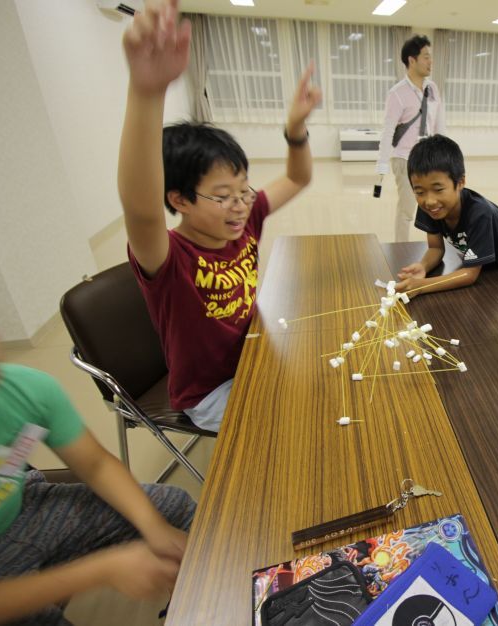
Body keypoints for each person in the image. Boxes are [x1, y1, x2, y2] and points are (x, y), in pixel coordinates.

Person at [118, 0, 322, 431]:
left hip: (254, 355)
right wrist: (147, 92)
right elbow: (140, 209)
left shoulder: (245, 218)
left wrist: (295, 129)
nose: (241, 202)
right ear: (180, 200)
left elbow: (297, 178)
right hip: (210, 392)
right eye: (222, 195)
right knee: (301, 431)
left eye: (243, 188)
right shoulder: (169, 257)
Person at [0, 261, 196, 626]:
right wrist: (98, 571)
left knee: (172, 507)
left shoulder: (24, 388)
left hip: (23, 504)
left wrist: (154, 527)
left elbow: (95, 464)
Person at [395, 135, 498, 297]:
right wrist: (423, 266)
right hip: (488, 260)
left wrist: (422, 286)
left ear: (461, 182)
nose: (430, 201)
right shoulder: (430, 207)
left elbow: (470, 274)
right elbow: (435, 248)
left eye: (438, 189)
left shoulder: (479, 214)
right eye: (419, 191)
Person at [376, 34, 446, 243]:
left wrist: (444, 154)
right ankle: (400, 248)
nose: (430, 61)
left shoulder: (432, 89)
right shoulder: (396, 94)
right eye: (425, 57)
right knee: (407, 209)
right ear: (411, 60)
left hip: (428, 158)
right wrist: (382, 163)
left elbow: (439, 124)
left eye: (430, 57)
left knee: (436, 205)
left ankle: (437, 248)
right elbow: (388, 130)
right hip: (404, 158)